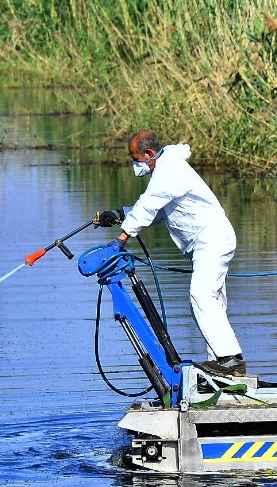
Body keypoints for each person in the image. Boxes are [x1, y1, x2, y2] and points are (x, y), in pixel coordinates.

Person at [101, 131, 245, 378]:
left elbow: (148, 206)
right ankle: (221, 364)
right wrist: (121, 214)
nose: (133, 163)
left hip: (212, 239)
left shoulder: (168, 171)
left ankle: (230, 359)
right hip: (207, 241)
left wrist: (120, 240)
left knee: (201, 295)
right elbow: (160, 210)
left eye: (134, 157)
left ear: (148, 154)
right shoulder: (166, 168)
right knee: (211, 300)